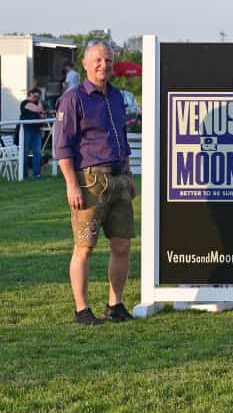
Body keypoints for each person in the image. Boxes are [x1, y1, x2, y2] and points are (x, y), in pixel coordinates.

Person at [53, 40, 135, 326]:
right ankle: (82, 310)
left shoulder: (117, 97)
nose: (104, 65)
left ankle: (115, 305)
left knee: (122, 244)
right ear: (85, 64)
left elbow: (122, 139)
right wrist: (71, 185)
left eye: (109, 60)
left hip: (119, 178)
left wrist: (129, 174)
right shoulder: (73, 99)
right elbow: (62, 146)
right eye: (98, 60)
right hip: (89, 180)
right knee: (84, 247)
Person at [19, 87, 47, 178]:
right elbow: (39, 110)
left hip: (36, 130)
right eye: (35, 96)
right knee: (25, 152)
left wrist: (40, 106)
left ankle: (37, 174)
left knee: (37, 152)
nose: (36, 98)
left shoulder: (37, 103)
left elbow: (43, 116)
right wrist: (39, 103)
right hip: (26, 130)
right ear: (30, 94)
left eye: (38, 97)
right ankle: (23, 175)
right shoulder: (25, 103)